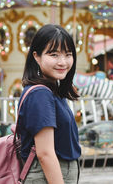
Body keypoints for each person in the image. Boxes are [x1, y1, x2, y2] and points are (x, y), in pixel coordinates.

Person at [18, 24, 81, 184]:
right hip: (48, 176)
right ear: (36, 56)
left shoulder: (51, 90)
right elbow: (45, 153)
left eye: (68, 54)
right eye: (54, 54)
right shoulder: (41, 94)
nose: (63, 62)